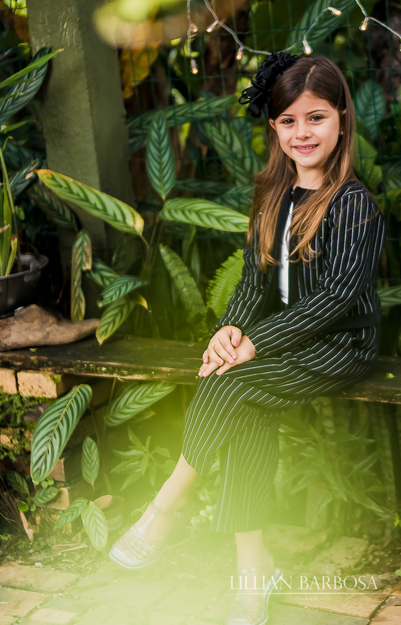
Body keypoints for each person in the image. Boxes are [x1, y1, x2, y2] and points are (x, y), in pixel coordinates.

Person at [108, 52, 386, 625]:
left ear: (341, 120)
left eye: (315, 118)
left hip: (340, 344)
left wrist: (256, 344)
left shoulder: (353, 205)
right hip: (282, 339)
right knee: (241, 399)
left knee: (232, 385)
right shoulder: (272, 197)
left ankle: (164, 508)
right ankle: (253, 574)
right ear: (273, 127)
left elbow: (335, 299)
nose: (302, 132)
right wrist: (230, 329)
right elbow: (252, 284)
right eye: (288, 120)